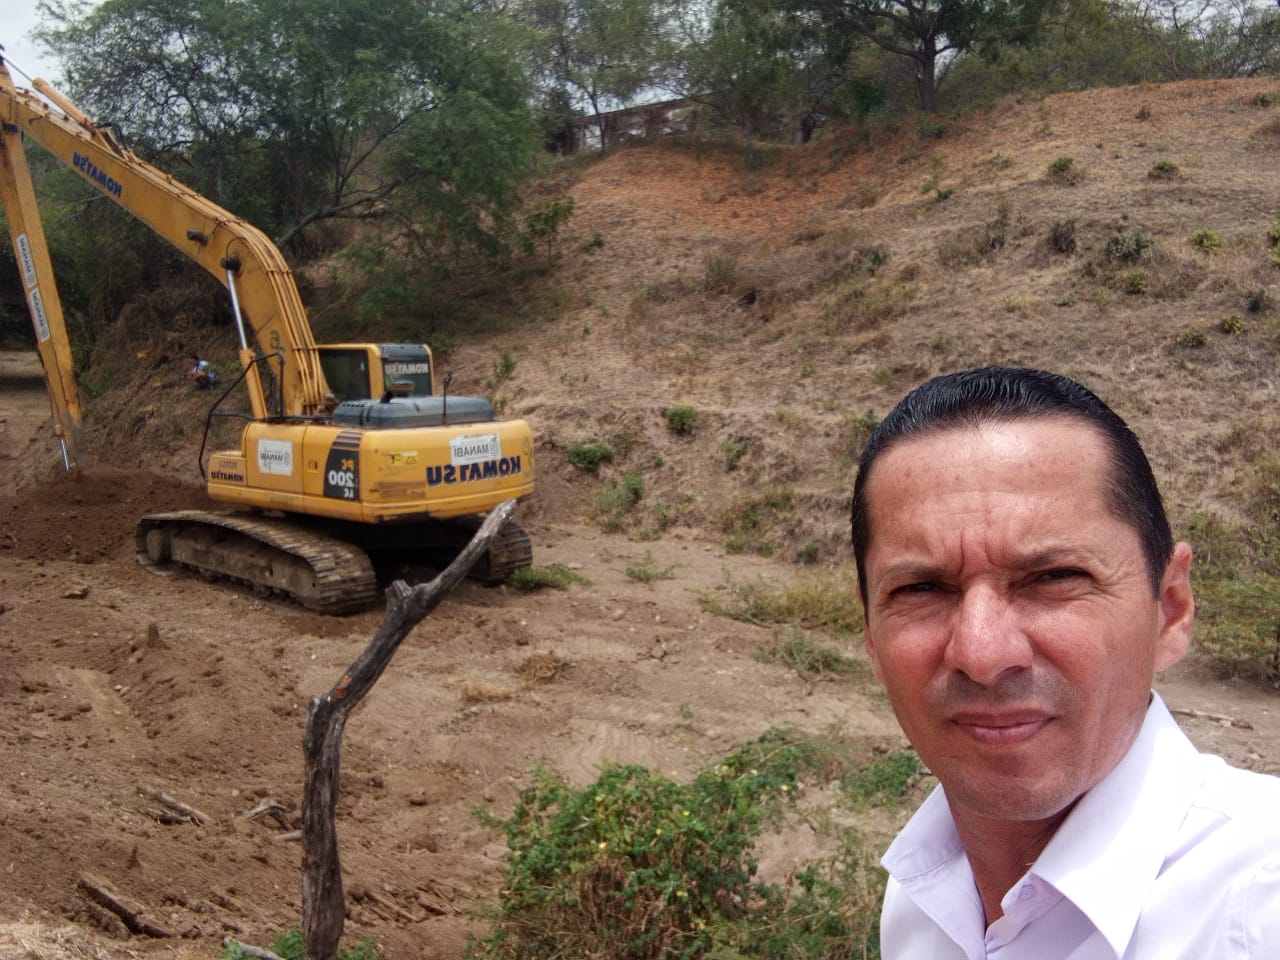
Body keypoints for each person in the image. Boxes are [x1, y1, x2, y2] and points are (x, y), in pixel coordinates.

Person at [850, 366, 1280, 959]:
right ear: (871, 633)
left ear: (1170, 608)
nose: (982, 654)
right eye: (922, 589)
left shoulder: (1258, 907)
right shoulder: (921, 899)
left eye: (1054, 578)